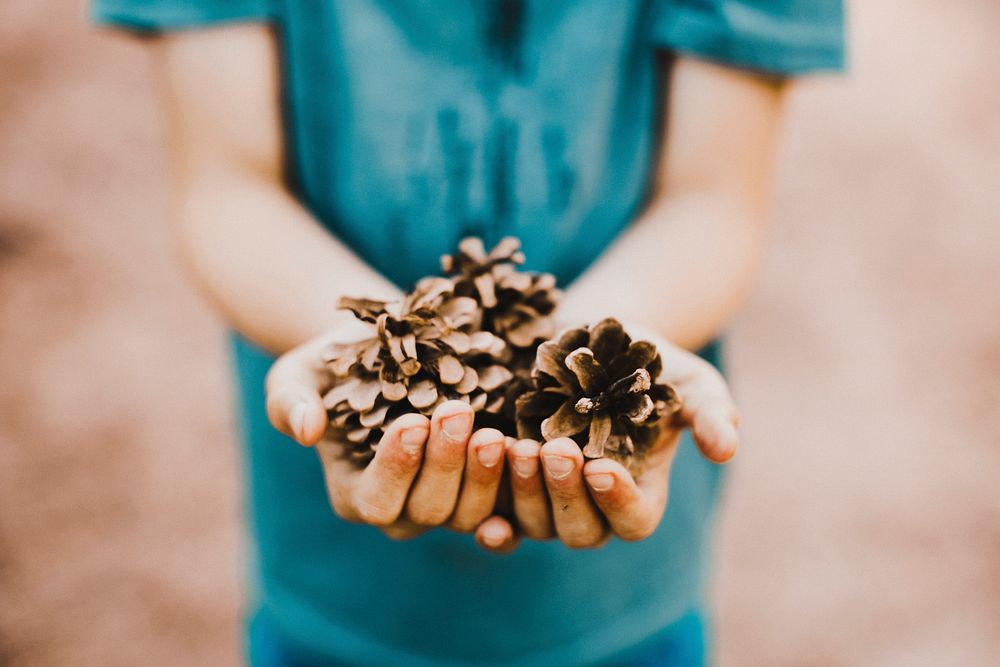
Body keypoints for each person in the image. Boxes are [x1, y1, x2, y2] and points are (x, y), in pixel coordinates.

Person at [94, 1, 844, 664]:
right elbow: (228, 189)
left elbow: (713, 201)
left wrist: (572, 352)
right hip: (337, 585)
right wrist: (380, 351)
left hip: (621, 602)